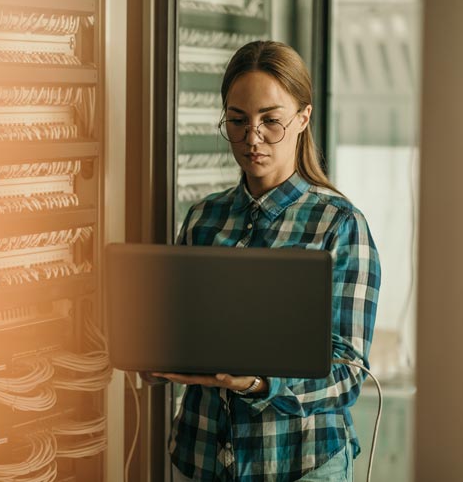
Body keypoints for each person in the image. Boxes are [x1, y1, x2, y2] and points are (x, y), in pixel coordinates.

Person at [151, 41, 381, 481]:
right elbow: (184, 332)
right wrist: (156, 352)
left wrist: (259, 383)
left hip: (297, 464)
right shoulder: (203, 218)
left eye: (270, 121)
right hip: (197, 458)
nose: (251, 138)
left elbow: (349, 373)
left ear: (302, 118)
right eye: (237, 121)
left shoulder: (341, 225)